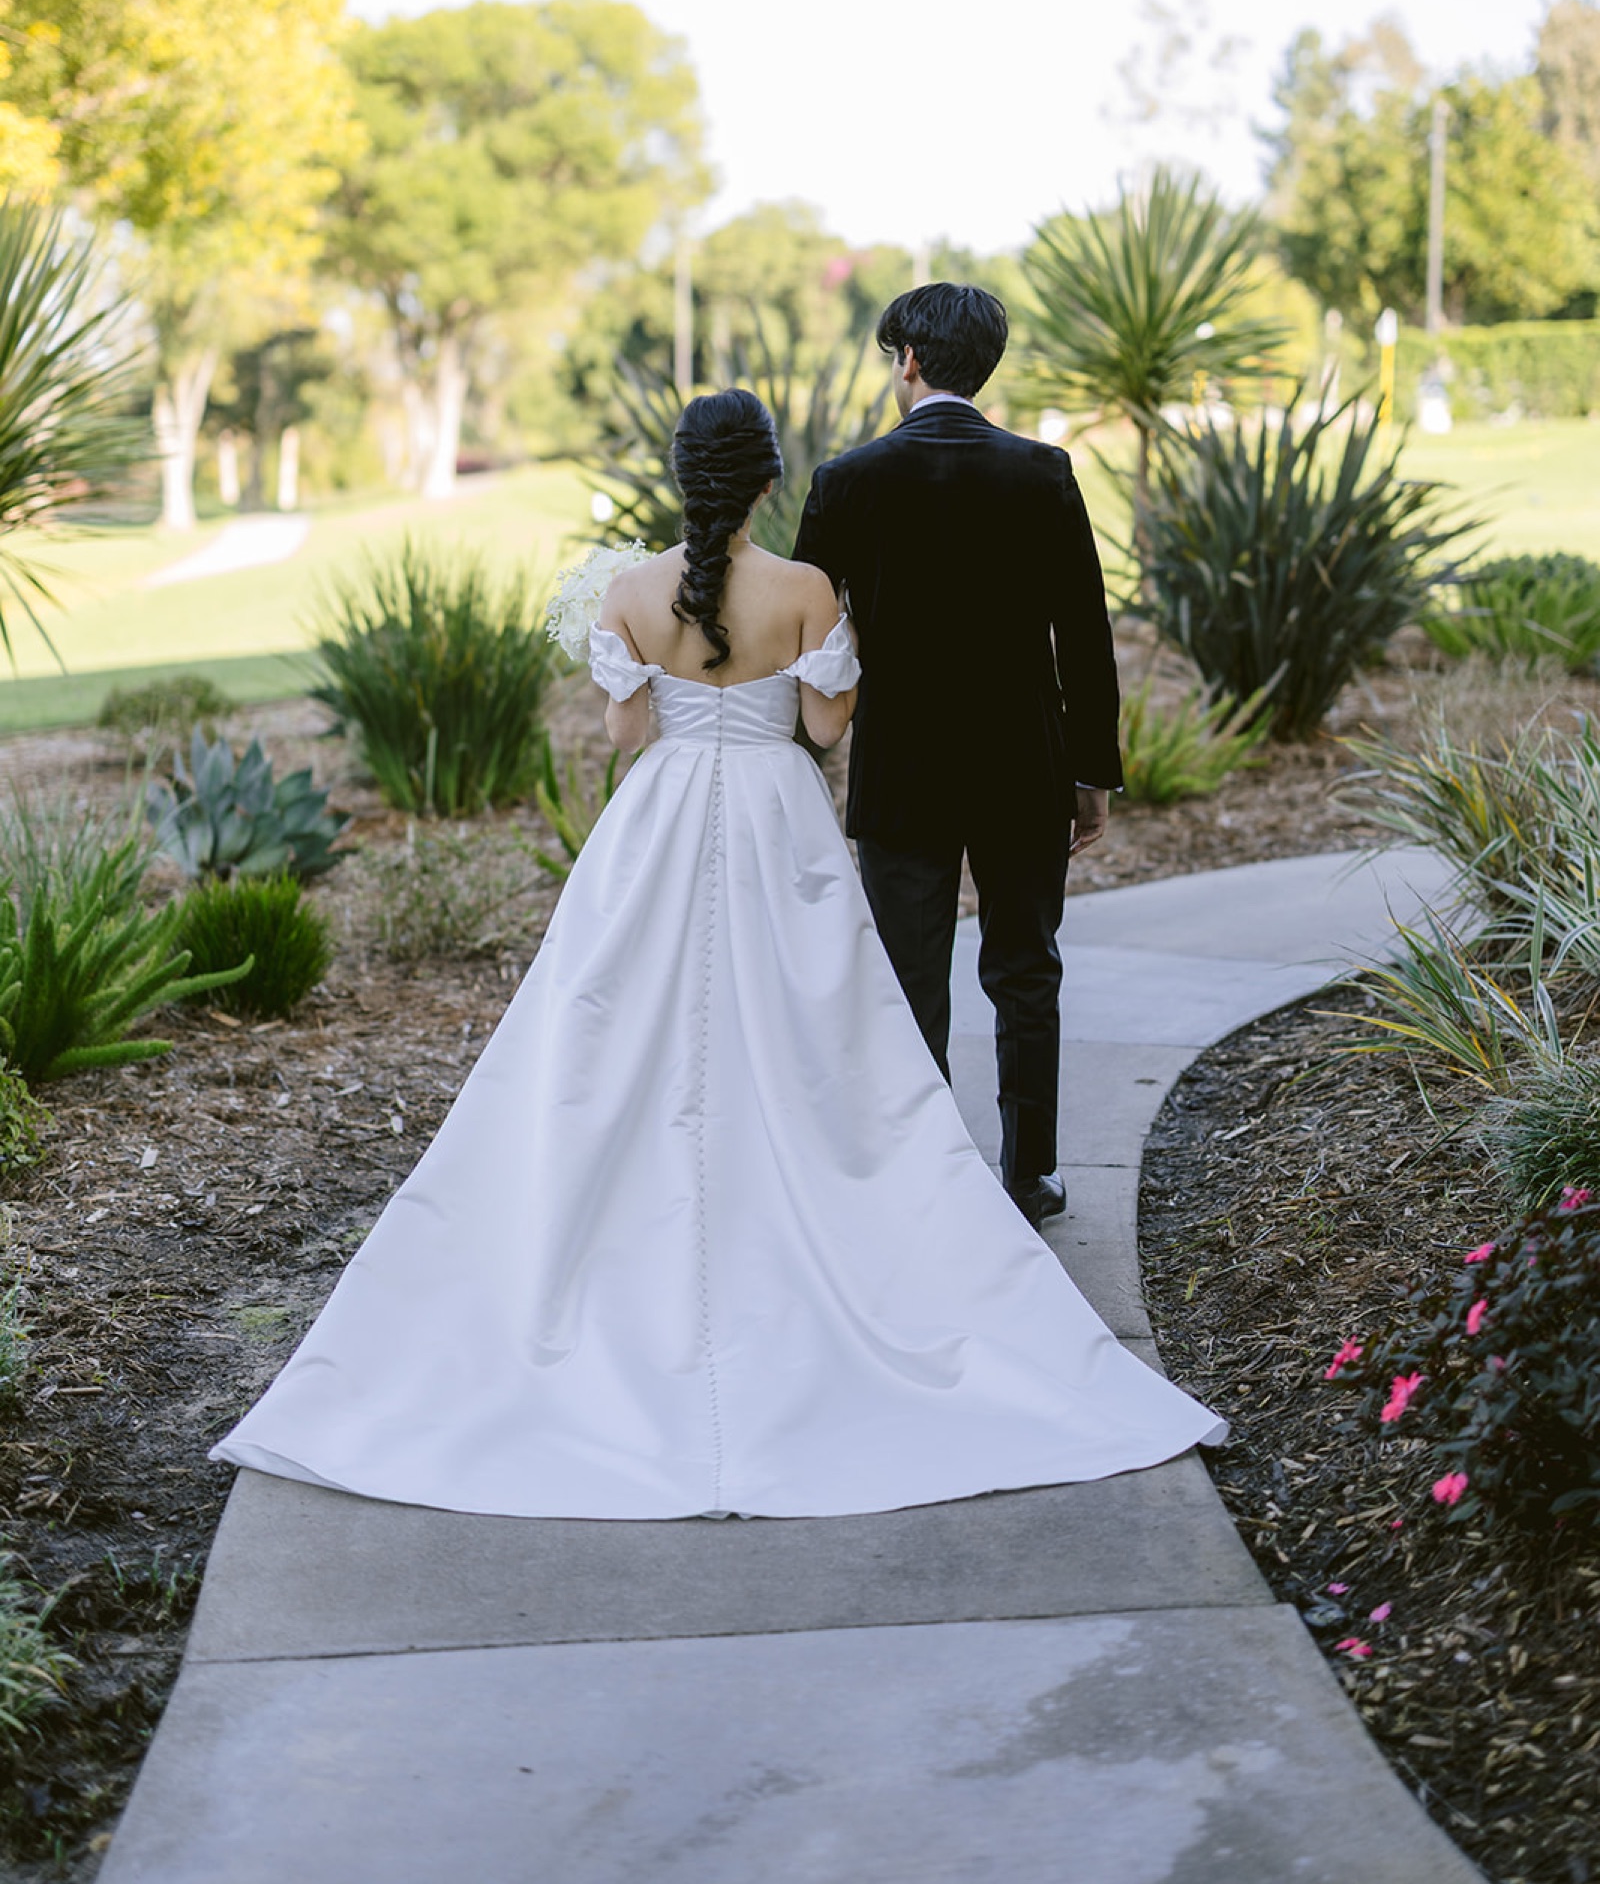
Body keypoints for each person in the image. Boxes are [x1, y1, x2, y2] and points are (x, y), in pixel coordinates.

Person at [212, 388, 1219, 1519]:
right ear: (767, 482)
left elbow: (627, 732)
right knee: (803, 1024)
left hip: (663, 821)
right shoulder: (804, 589)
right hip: (774, 818)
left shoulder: (632, 591)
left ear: (682, 477)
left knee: (615, 1020)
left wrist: (668, 689)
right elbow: (825, 731)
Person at [793, 281, 1120, 1226]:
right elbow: (1084, 637)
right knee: (1027, 967)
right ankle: (1031, 1173)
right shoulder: (1043, 472)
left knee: (909, 976)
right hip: (1026, 766)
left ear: (910, 361)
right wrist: (1090, 773)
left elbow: (812, 638)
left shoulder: (847, 482)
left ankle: (926, 1169)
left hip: (901, 770)